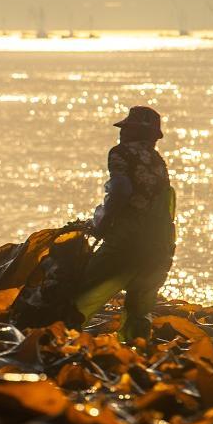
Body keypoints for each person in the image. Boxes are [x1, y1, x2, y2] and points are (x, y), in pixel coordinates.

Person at [75, 106, 177, 341]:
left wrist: (101, 224)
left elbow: (121, 190)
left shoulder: (121, 153)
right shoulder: (158, 161)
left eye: (126, 129)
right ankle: (136, 349)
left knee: (85, 288)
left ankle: (61, 335)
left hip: (126, 239)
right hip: (158, 243)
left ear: (135, 133)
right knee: (139, 306)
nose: (121, 134)